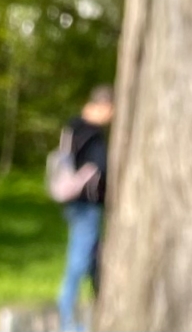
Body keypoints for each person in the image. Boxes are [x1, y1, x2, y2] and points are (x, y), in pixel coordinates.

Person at [55, 85, 112, 332]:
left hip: (74, 201)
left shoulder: (73, 127)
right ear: (103, 106)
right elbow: (99, 166)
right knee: (79, 257)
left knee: (91, 259)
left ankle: (91, 311)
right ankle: (67, 319)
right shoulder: (90, 133)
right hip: (85, 203)